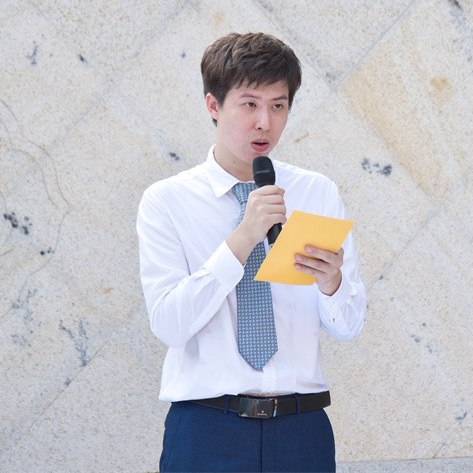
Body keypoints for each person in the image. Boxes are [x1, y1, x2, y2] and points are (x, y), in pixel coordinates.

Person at [137, 32, 367, 472]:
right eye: (249, 104)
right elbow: (169, 324)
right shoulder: (166, 201)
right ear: (213, 105)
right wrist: (243, 237)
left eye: (278, 105)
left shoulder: (316, 192)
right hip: (207, 428)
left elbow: (350, 325)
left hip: (301, 430)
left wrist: (332, 282)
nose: (265, 122)